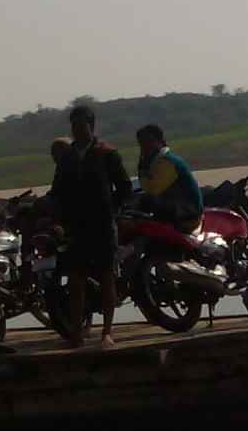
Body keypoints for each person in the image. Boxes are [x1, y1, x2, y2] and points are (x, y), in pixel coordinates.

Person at [51, 104, 132, 346]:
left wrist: (111, 209)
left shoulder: (107, 153)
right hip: (75, 227)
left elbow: (124, 187)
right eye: (73, 126)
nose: (77, 130)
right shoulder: (67, 156)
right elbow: (57, 191)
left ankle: (107, 331)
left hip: (102, 225)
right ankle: (76, 331)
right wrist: (58, 219)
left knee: (107, 278)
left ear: (91, 126)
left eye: (81, 126)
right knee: (76, 281)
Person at [134, 123, 202, 229]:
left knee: (144, 202)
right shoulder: (157, 162)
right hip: (178, 209)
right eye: (142, 143)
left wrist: (142, 163)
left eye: (148, 142)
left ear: (159, 141)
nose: (145, 147)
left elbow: (151, 189)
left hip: (188, 214)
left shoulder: (168, 162)